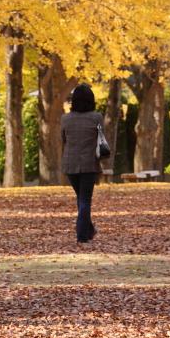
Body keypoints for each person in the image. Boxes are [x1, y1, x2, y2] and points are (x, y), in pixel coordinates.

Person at [61, 83, 103, 245]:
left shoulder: (65, 119)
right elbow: (101, 137)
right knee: (85, 199)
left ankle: (89, 229)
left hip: (70, 164)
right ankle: (82, 234)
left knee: (81, 198)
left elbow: (63, 139)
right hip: (89, 163)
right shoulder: (96, 117)